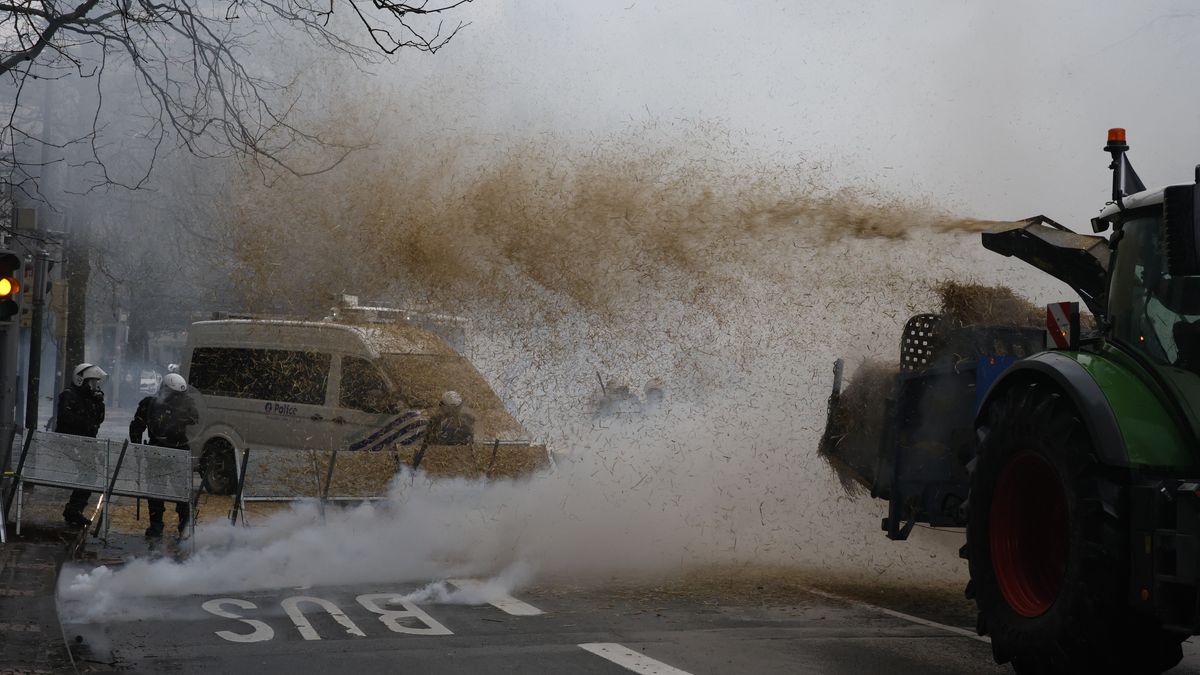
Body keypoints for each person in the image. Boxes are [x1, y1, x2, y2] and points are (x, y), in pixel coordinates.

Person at [129, 372, 199, 538]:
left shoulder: (186, 405)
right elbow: (137, 426)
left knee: (181, 490)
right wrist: (137, 446)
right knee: (155, 490)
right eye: (176, 395)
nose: (178, 398)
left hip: (178, 451)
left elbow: (196, 418)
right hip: (157, 451)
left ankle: (184, 525)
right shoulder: (150, 404)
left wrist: (181, 410)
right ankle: (156, 525)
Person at [59, 363, 108, 527]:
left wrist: (99, 403)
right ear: (80, 380)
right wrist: (86, 424)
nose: (95, 386)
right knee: (88, 474)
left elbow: (99, 420)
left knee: (90, 475)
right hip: (71, 443)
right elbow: (66, 417)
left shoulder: (91, 399)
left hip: (86, 444)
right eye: (92, 382)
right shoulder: (69, 395)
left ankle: (74, 510)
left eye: (96, 383)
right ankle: (73, 510)